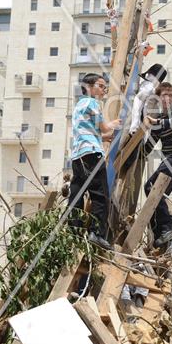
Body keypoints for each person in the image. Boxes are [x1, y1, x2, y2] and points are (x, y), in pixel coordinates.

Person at [68, 73, 121, 249]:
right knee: (100, 195)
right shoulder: (92, 103)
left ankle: (73, 231)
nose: (104, 89)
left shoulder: (79, 105)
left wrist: (104, 138)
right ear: (88, 87)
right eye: (100, 85)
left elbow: (92, 131)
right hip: (92, 154)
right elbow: (104, 127)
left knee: (77, 194)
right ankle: (96, 233)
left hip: (78, 155)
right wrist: (115, 124)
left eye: (105, 86)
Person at [143, 82, 172, 248]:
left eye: (171, 95)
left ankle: (169, 227)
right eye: (164, 95)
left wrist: (155, 121)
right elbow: (148, 146)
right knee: (156, 196)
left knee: (151, 187)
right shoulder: (159, 120)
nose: (168, 98)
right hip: (170, 159)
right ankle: (161, 236)